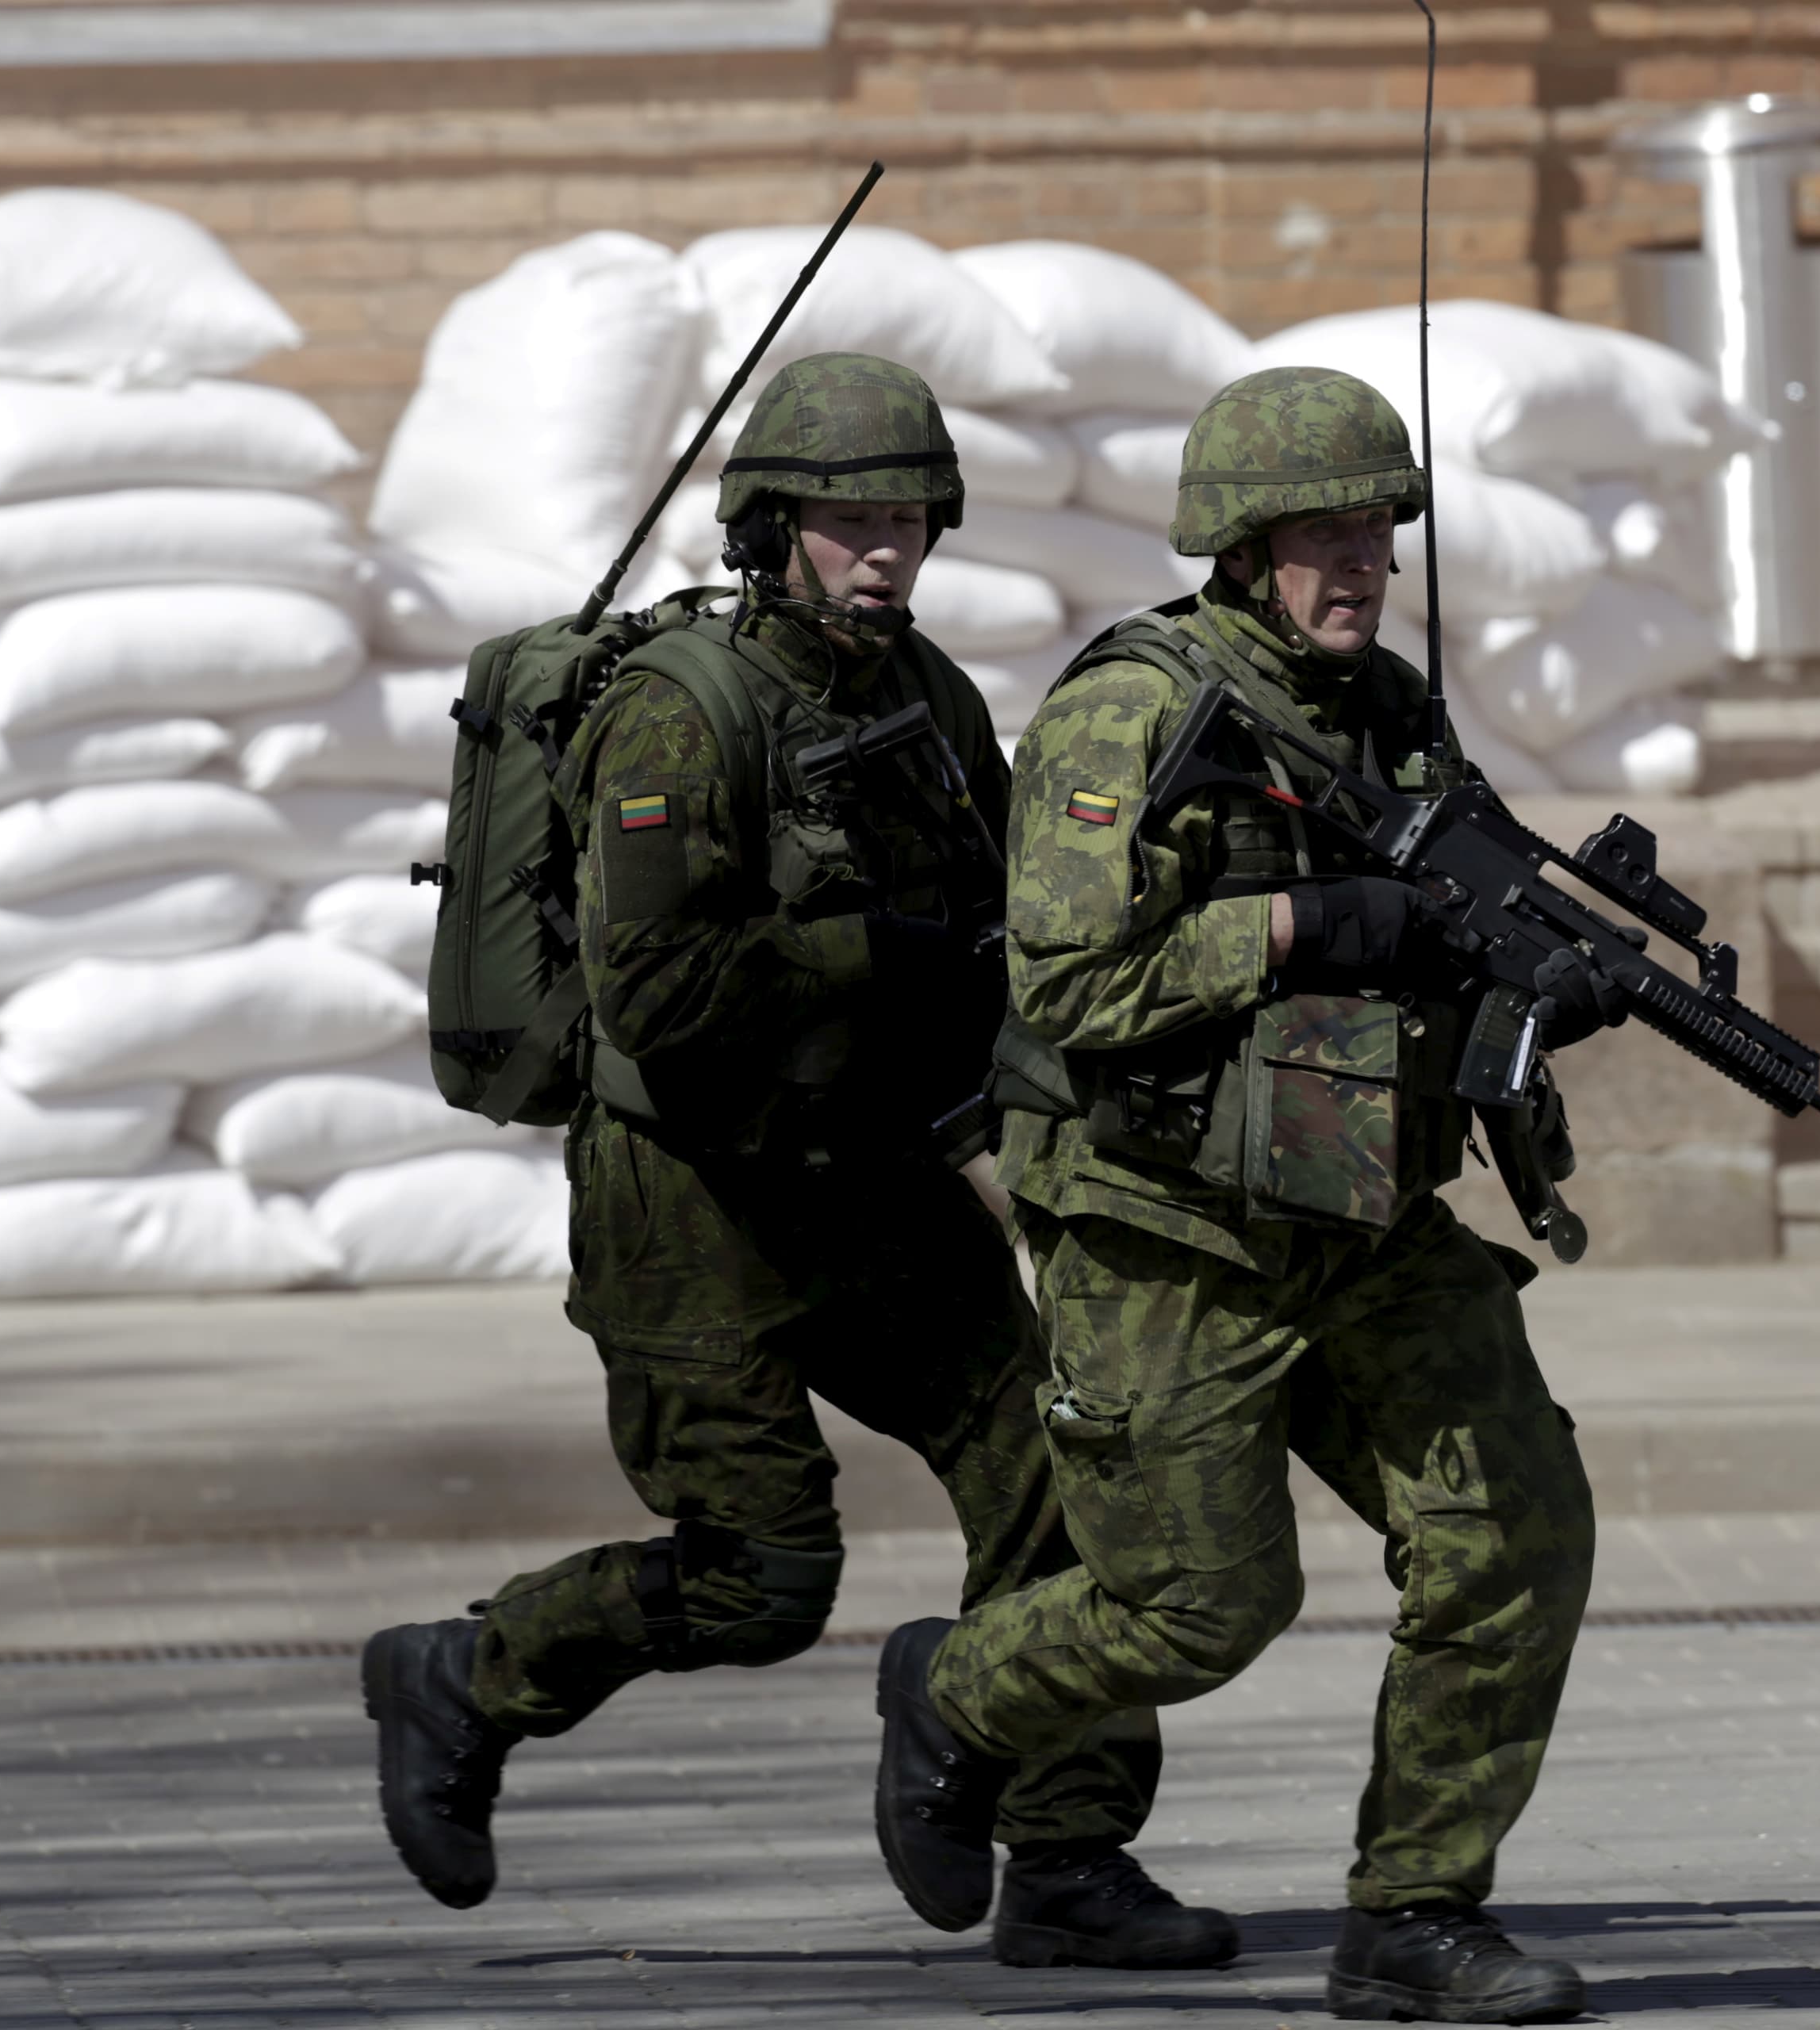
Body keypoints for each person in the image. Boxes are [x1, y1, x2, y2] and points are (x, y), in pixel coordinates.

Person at [359, 352, 1233, 1973]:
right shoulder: (679, 713)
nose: (884, 549)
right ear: (771, 528)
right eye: (849, 519)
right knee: (760, 1581)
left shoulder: (930, 701)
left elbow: (1001, 928)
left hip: (869, 1171)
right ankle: (464, 1677)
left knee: (1059, 1465)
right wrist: (871, 952)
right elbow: (661, 997)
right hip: (692, 1196)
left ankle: (1068, 1852)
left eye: (908, 518)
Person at [870, 366, 1606, 2025]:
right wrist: (1299, 925)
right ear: (1242, 548)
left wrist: (1533, 973)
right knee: (1203, 1604)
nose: (1358, 564)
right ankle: (959, 1691)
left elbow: (1442, 915)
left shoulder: (1393, 710)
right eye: (1319, 534)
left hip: (1356, 1202)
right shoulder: (1129, 710)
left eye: (1376, 531)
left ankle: (1413, 1913)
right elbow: (1070, 980)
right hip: (1164, 1222)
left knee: (1515, 1532)